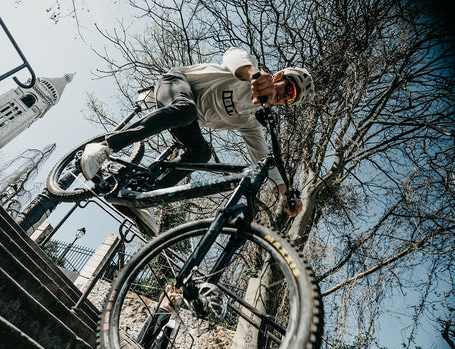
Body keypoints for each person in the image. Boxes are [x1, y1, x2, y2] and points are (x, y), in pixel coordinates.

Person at [81, 47, 314, 233]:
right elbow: (233, 55)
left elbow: (264, 159)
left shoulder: (250, 121)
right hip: (174, 83)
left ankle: (141, 194)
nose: (284, 98)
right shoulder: (246, 75)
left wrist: (285, 195)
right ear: (279, 76)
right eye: (289, 89)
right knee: (186, 109)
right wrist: (253, 74)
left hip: (184, 119)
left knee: (201, 153)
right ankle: (104, 146)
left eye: (290, 100)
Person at [137, 284, 182, 349]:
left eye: (178, 285)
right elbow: (160, 299)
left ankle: (145, 347)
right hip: (159, 308)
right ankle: (139, 341)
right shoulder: (170, 291)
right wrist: (166, 291)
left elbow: (171, 303)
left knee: (155, 330)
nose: (175, 286)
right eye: (175, 284)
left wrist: (171, 294)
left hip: (166, 312)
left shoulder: (179, 296)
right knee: (148, 325)